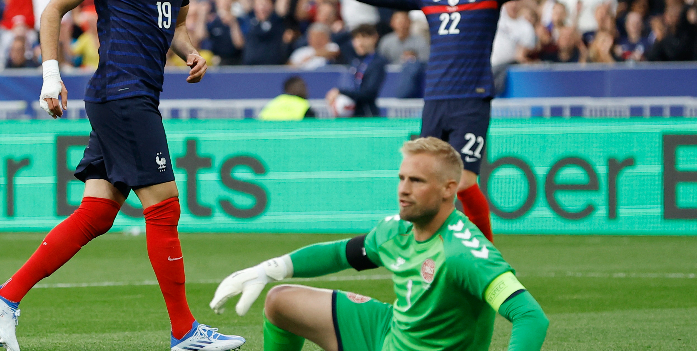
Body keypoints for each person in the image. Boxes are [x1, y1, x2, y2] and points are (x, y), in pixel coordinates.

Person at [0, 0, 245, 351]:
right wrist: (51, 76)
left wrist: (191, 53)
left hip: (132, 94)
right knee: (164, 206)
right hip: (122, 94)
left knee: (98, 213)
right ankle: (184, 331)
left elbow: (174, 26)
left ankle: (6, 296)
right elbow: (52, 10)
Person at [306, 0, 562, 241]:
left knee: (464, 182)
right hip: (435, 101)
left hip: (471, 100)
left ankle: (487, 259)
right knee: (424, 182)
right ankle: (428, 250)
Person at [210, 137, 549, 351]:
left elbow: (530, 317)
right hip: (388, 330)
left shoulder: (464, 252)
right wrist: (270, 269)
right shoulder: (395, 230)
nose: (403, 189)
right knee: (280, 301)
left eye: (416, 181)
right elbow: (339, 254)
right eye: (401, 178)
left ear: (449, 189)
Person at [326, 24, 387, 117]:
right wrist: (350, 30)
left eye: (364, 37)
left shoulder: (377, 62)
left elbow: (369, 93)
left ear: (374, 38)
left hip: (368, 114)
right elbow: (336, 39)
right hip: (353, 113)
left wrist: (341, 92)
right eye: (356, 38)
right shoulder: (355, 58)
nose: (360, 42)